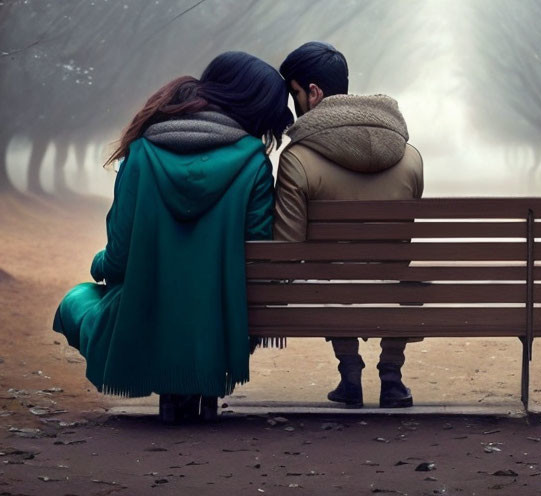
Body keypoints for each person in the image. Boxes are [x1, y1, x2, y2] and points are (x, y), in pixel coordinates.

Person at [52, 52, 293, 422]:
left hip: (148, 317)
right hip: (220, 327)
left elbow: (118, 257)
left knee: (78, 299)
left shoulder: (142, 153)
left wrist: (100, 265)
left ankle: (170, 389)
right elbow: (255, 254)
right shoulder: (255, 163)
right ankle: (203, 387)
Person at [273, 42, 424, 408]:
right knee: (404, 274)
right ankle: (390, 374)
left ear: (313, 92)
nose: (292, 107)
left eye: (294, 94)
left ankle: (350, 371)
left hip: (332, 293)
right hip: (394, 292)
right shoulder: (410, 157)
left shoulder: (297, 159)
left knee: (327, 272)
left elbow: (287, 251)